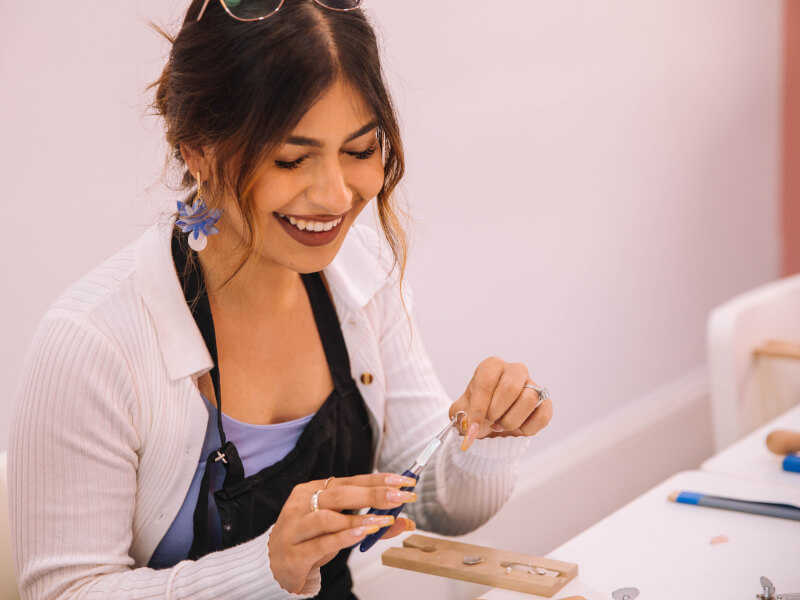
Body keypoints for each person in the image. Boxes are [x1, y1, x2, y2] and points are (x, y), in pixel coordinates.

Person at [8, 0, 553, 598]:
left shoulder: (360, 272)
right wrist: (265, 568)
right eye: (291, 159)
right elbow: (63, 592)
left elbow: (433, 504)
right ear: (197, 150)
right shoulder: (92, 343)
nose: (335, 196)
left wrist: (483, 438)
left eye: (360, 150)